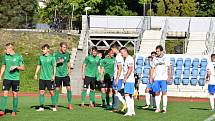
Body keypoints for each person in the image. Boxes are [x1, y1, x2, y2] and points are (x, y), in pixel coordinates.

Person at [0, 43, 25, 117]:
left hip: (15, 79)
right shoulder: (5, 56)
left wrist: (16, 67)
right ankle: (2, 110)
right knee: (5, 93)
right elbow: (3, 66)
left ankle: (14, 110)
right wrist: (0, 76)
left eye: (6, 49)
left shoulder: (18, 56)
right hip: (7, 78)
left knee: (15, 94)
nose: (5, 50)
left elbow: (23, 68)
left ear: (10, 49)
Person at [34, 44, 57, 112]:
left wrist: (53, 75)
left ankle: (54, 106)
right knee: (41, 92)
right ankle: (41, 107)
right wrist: (36, 74)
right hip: (42, 78)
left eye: (44, 49)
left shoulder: (52, 57)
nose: (43, 50)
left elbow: (54, 67)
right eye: (42, 49)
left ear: (48, 50)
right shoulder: (41, 57)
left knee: (52, 92)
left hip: (50, 78)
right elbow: (38, 65)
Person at [150, 45, 172, 113]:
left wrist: (169, 76)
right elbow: (152, 68)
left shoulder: (166, 58)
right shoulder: (154, 59)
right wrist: (151, 77)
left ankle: (164, 108)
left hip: (164, 78)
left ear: (162, 51)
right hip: (156, 78)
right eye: (156, 51)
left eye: (158, 51)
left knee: (164, 92)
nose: (157, 52)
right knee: (157, 93)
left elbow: (170, 67)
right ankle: (158, 108)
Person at [53, 42, 73, 110]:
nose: (65, 49)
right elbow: (53, 63)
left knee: (69, 88)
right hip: (58, 74)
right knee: (57, 89)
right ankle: (55, 104)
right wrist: (58, 61)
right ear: (60, 47)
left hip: (65, 74)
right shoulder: (55, 54)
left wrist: (69, 70)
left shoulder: (67, 54)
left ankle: (70, 104)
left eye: (66, 47)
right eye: (64, 47)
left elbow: (68, 62)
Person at [120, 47, 135, 116]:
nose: (121, 54)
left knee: (126, 95)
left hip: (129, 80)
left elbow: (130, 69)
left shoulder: (129, 59)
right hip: (130, 80)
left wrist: (125, 78)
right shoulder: (127, 59)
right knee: (130, 96)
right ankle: (132, 111)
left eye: (122, 53)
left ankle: (129, 111)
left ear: (125, 51)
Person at [111, 44, 126, 112]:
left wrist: (117, 78)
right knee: (118, 91)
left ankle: (123, 104)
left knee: (116, 91)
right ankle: (116, 107)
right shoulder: (119, 56)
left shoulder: (118, 57)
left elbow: (120, 68)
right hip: (119, 76)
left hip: (118, 77)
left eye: (112, 49)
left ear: (114, 49)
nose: (112, 51)